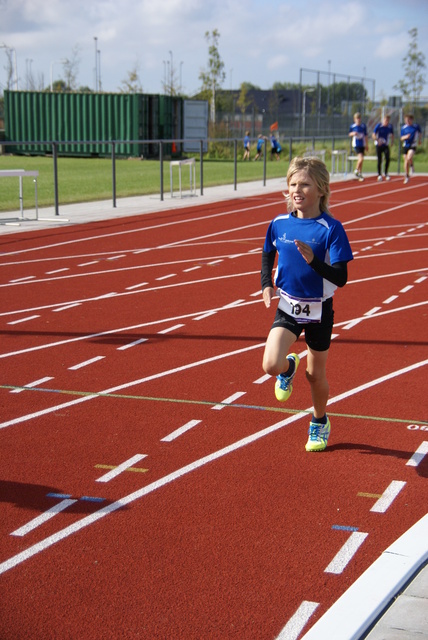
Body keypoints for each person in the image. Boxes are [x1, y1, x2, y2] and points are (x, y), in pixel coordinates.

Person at [261, 156, 353, 452]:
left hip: (319, 310)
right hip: (288, 305)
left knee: (315, 376)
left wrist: (315, 262)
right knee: (269, 364)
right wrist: (265, 283)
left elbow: (341, 277)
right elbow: (267, 253)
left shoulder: (331, 229)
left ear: (321, 190)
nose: (296, 190)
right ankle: (288, 368)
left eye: (304, 184)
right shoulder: (278, 223)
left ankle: (319, 421)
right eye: (292, 184)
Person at [400, 113, 422, 184]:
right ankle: (407, 176)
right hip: (405, 145)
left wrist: (419, 140)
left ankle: (411, 165)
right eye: (406, 120)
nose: (407, 121)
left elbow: (420, 133)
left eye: (408, 120)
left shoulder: (416, 126)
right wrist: (406, 137)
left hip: (413, 144)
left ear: (411, 120)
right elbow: (401, 138)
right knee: (405, 161)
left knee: (409, 158)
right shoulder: (403, 128)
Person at [372, 113, 394, 181]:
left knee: (387, 158)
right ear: (383, 120)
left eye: (387, 120)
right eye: (385, 120)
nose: (386, 122)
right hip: (378, 145)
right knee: (379, 159)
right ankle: (379, 174)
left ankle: (386, 173)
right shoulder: (378, 126)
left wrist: (392, 142)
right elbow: (373, 134)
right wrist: (377, 140)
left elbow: (392, 135)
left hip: (385, 145)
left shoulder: (390, 127)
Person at [348, 112, 368, 181]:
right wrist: (353, 133)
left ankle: (360, 173)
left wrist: (366, 145)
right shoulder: (353, 126)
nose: (358, 120)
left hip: (362, 144)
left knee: (361, 159)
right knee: (361, 158)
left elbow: (366, 136)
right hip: (356, 144)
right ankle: (356, 169)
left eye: (359, 118)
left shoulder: (363, 126)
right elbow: (349, 134)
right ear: (354, 119)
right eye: (357, 118)